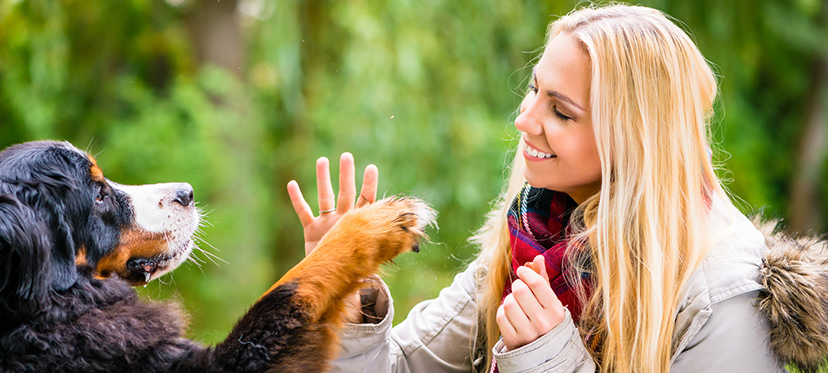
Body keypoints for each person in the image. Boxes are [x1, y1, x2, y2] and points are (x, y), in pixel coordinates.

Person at [286, 4, 825, 372]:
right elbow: (404, 366)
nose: (525, 119)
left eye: (561, 111)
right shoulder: (539, 230)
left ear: (634, 140)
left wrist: (549, 359)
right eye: (535, 88)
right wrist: (344, 289)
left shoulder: (723, 297)